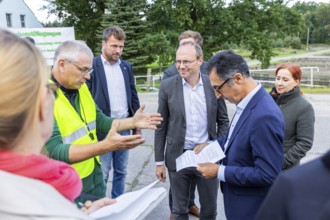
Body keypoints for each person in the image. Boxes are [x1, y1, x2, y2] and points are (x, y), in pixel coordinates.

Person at [0, 29, 114, 219]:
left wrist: (79, 211)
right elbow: (55, 150)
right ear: (40, 105)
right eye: (48, 88)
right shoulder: (45, 202)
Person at [45, 40, 162, 204]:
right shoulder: (42, 96)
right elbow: (54, 150)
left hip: (94, 176)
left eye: (89, 70)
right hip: (67, 185)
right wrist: (105, 146)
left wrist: (132, 122)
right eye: (83, 70)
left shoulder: (81, 87)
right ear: (62, 64)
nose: (87, 76)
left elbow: (100, 121)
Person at [196, 50, 285, 220]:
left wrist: (219, 171)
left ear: (237, 78)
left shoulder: (264, 115)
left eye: (218, 88)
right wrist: (213, 145)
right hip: (238, 202)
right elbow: (237, 138)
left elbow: (268, 174)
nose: (217, 95)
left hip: (252, 209)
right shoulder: (247, 102)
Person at [155, 41, 229, 220]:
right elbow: (161, 125)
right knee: (179, 210)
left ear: (200, 61)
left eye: (186, 61)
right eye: (178, 61)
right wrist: (159, 161)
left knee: (210, 210)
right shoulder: (167, 86)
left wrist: (213, 146)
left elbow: (224, 122)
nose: (181, 66)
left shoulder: (213, 84)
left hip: (207, 157)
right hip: (178, 156)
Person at [87, 26, 140, 199]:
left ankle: (118, 203)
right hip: (103, 129)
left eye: (121, 47)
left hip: (124, 127)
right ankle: (101, 207)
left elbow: (133, 95)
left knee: (121, 171)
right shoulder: (91, 66)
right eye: (114, 46)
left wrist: (137, 124)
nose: (118, 50)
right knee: (102, 172)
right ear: (103, 44)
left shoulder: (126, 67)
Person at [255, 150, 330, 220]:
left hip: (288, 166)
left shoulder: (291, 182)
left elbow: (304, 143)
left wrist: (284, 161)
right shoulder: (289, 182)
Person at [270, 63, 315, 170]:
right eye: (278, 78)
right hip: (260, 166)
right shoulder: (267, 101)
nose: (279, 83)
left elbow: (305, 143)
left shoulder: (304, 107)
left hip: (283, 170)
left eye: (285, 80)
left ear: (296, 82)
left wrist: (281, 163)